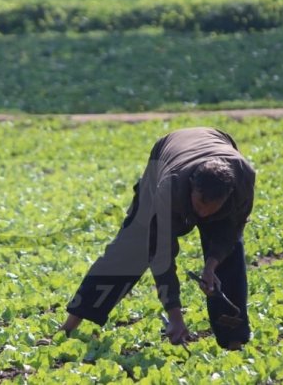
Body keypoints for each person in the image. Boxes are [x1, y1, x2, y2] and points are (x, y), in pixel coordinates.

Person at [61, 127, 255, 350]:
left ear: (228, 194)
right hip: (167, 155)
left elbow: (231, 232)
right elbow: (160, 255)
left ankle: (234, 340)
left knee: (230, 258)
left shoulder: (243, 180)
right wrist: (174, 315)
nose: (203, 214)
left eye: (212, 209)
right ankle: (68, 327)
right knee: (132, 248)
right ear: (192, 186)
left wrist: (212, 265)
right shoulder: (169, 186)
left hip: (216, 142)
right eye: (199, 205)